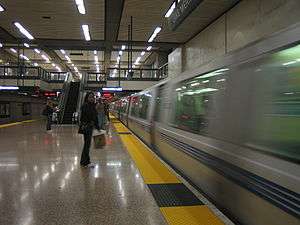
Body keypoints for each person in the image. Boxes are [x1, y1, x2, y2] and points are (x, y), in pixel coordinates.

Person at [79, 92, 99, 168]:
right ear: (87, 98)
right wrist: (95, 108)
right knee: (87, 145)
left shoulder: (91, 105)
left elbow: (95, 117)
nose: (92, 98)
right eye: (90, 97)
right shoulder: (86, 106)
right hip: (87, 127)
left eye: (93, 97)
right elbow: (91, 116)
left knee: (87, 145)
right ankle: (85, 163)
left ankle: (85, 161)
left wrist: (97, 127)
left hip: (89, 127)